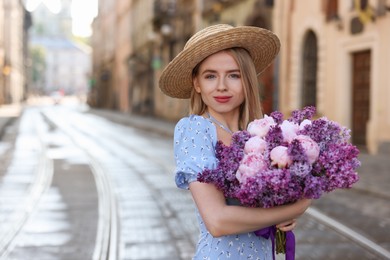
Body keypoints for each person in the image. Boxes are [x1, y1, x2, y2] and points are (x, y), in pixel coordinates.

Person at [159, 24, 311, 259]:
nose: (221, 86)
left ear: (247, 80)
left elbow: (264, 208)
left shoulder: (262, 132)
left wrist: (280, 215)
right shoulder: (196, 129)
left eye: (233, 75)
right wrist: (292, 209)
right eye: (210, 76)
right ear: (197, 84)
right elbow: (217, 221)